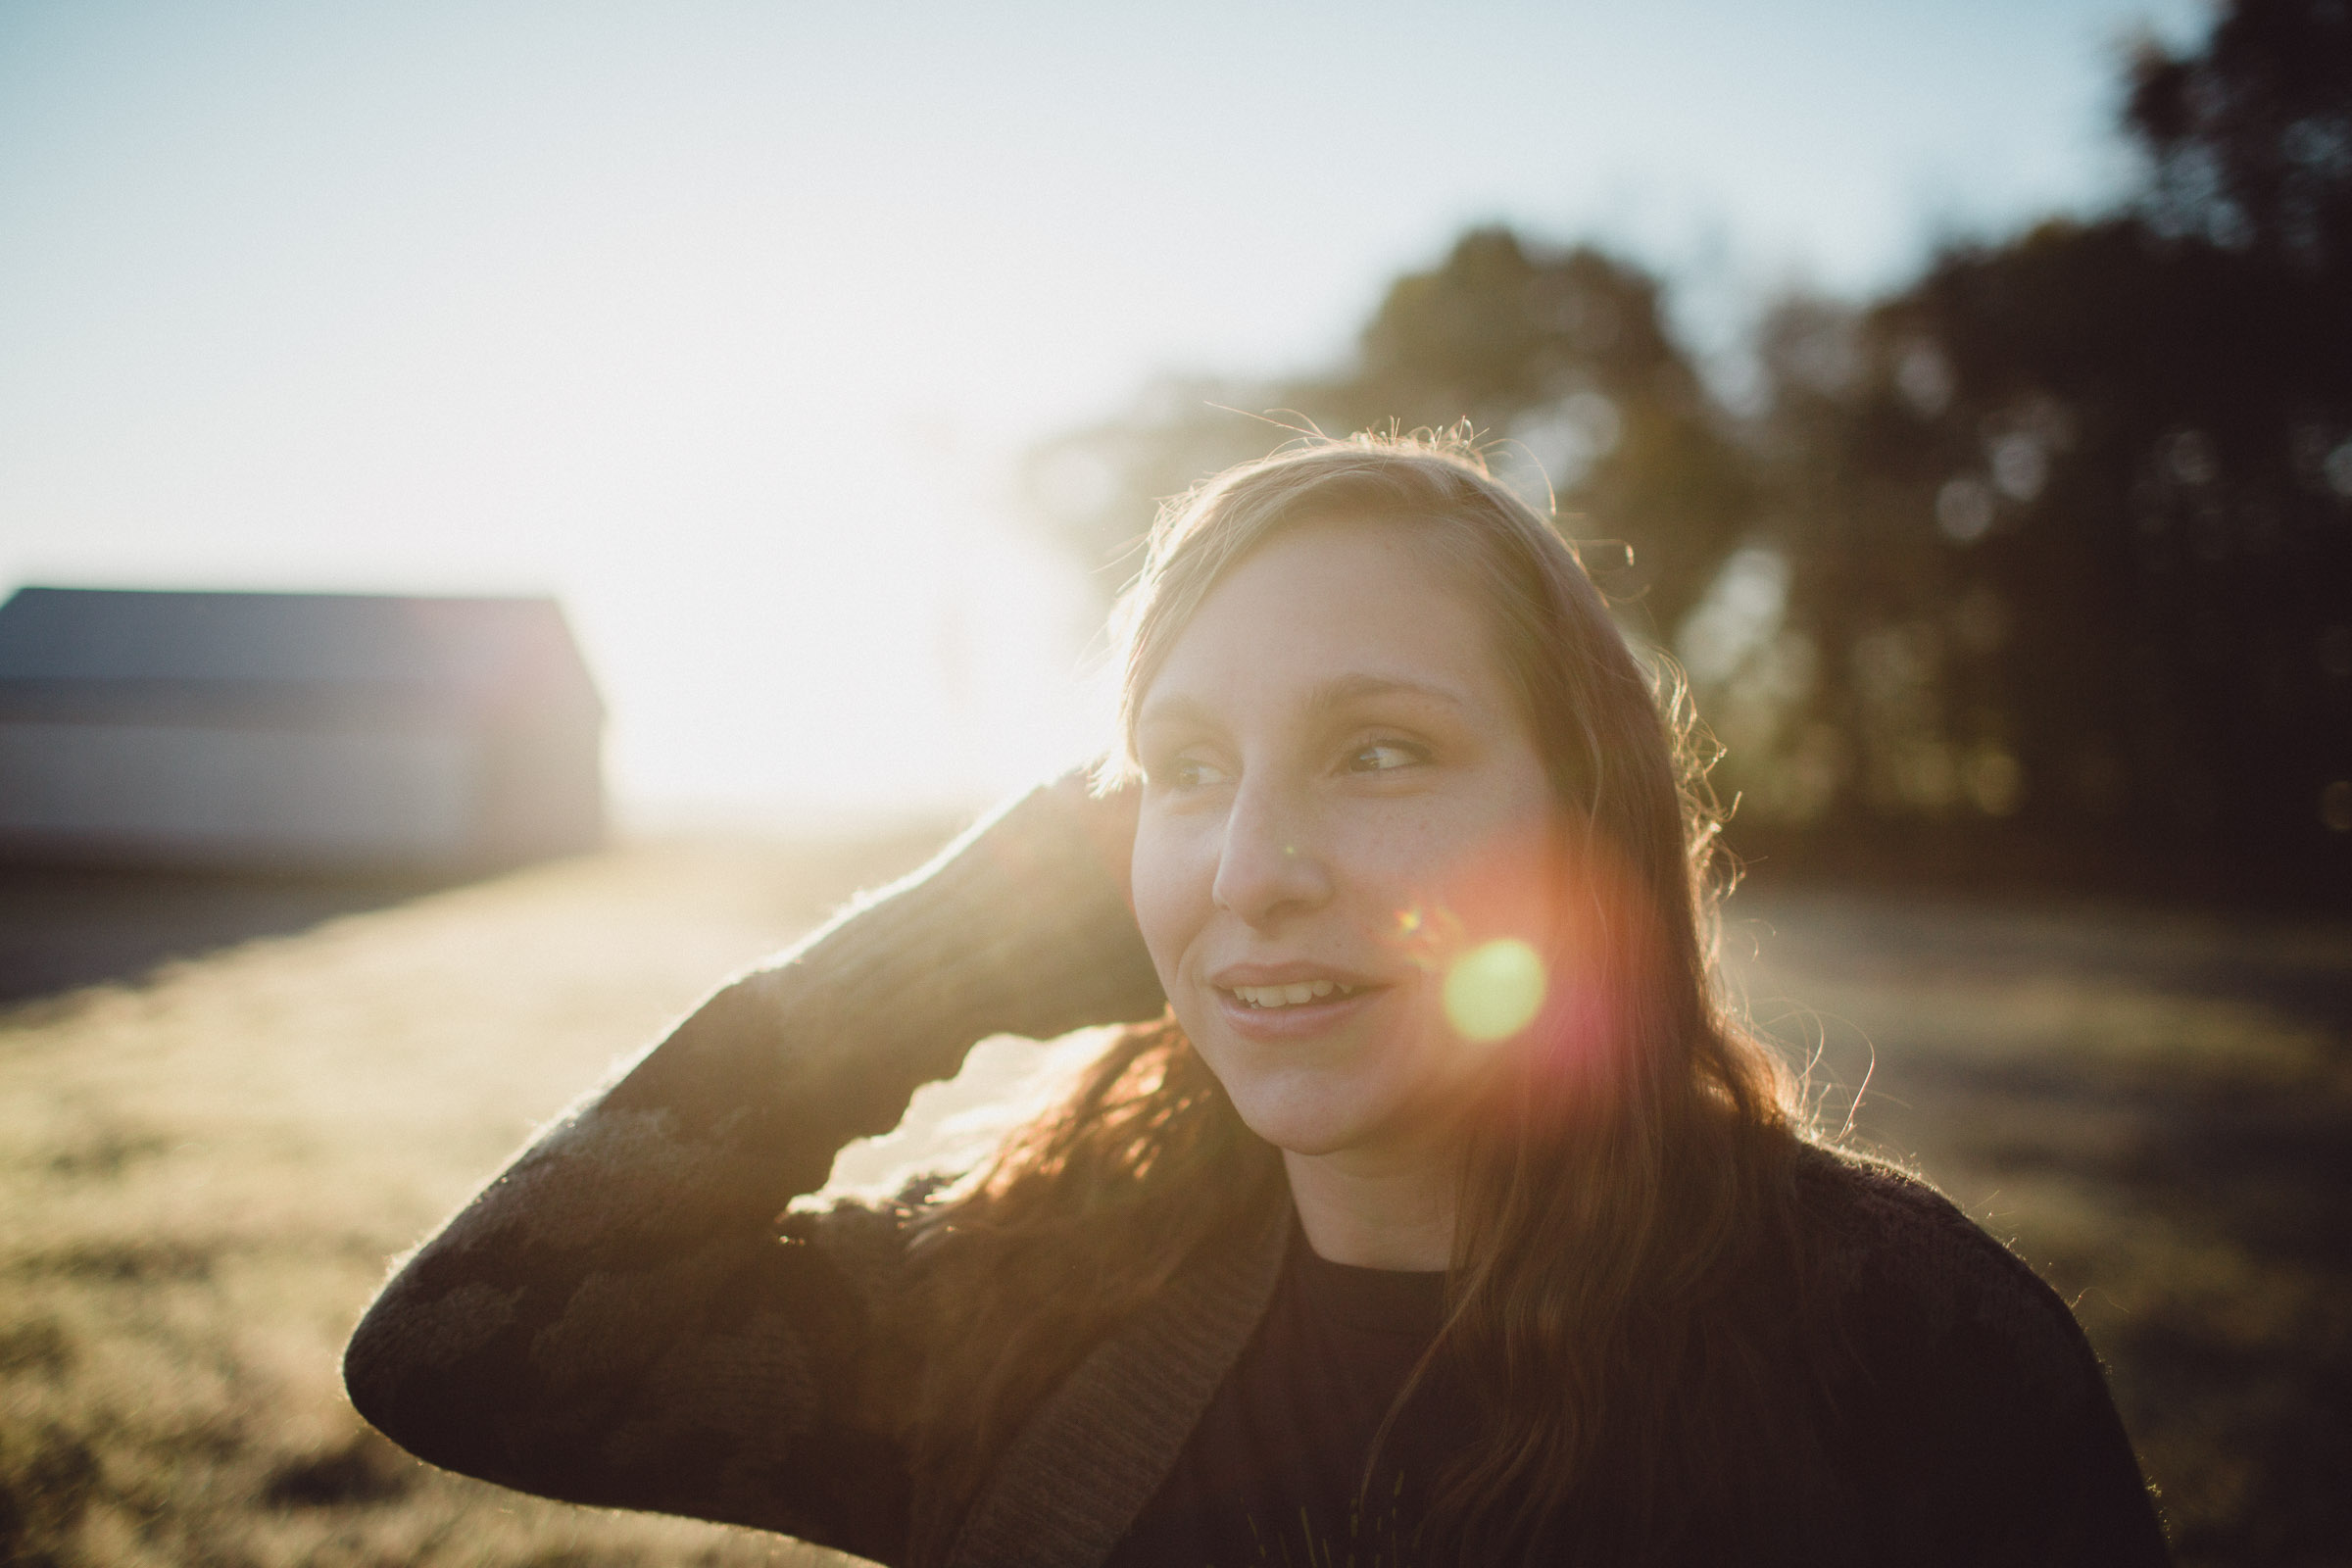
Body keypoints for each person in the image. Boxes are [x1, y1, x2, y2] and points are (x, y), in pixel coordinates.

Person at [344, 434, 2170, 1567]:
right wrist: (937, 956)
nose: (1252, 867)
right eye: (1189, 769)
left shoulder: (1911, 1353)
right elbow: (465, 1356)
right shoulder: (1022, 1303)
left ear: (1588, 830)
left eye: (1380, 751)